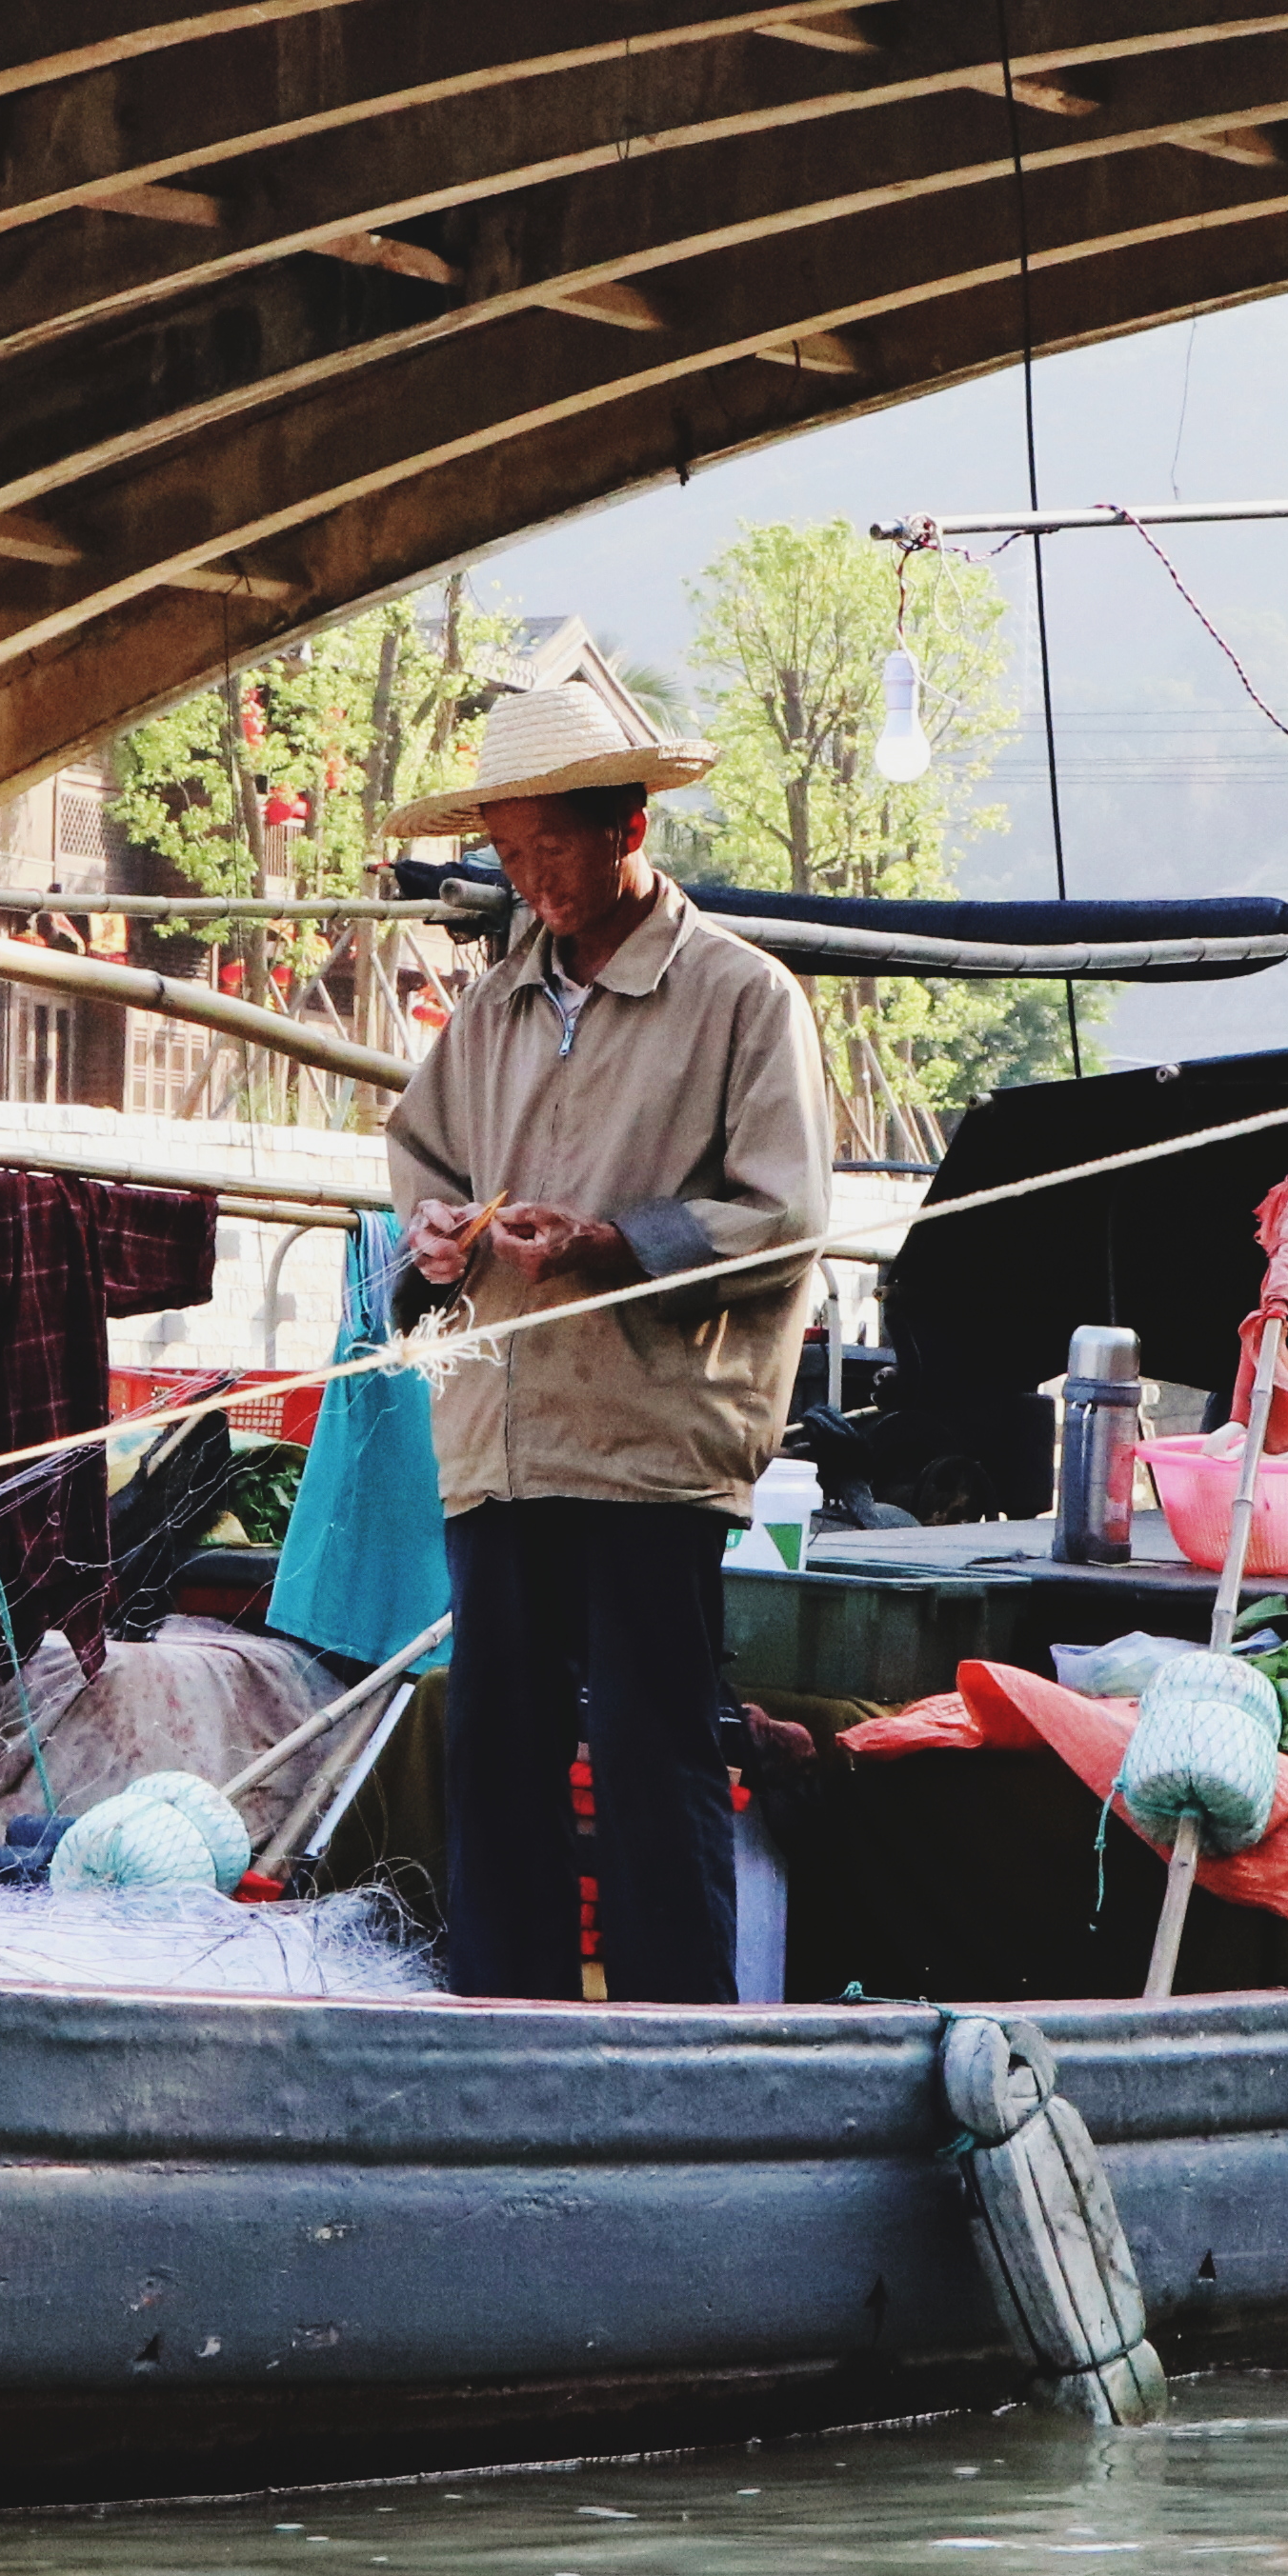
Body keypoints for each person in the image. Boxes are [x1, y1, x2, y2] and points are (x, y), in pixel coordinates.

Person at [378, 674, 836, 2001]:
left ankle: (676, 2052)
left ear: (628, 830)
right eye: (510, 858)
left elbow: (786, 1215)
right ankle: (502, 2035)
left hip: (647, 1446)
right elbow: (420, 1156)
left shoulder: (741, 998)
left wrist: (612, 1243)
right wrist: (441, 1235)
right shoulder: (495, 1005)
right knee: (497, 1756)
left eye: (552, 850)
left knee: (651, 1755)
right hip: (503, 1440)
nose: (531, 883)